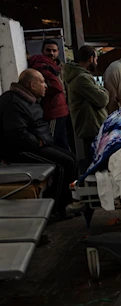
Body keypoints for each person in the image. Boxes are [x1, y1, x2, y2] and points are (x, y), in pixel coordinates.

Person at [0, 69, 77, 220]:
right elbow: (17, 135)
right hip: (21, 149)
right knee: (64, 164)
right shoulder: (13, 102)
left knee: (71, 158)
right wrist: (39, 142)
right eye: (42, 82)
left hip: (40, 143)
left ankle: (65, 203)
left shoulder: (27, 99)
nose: (45, 86)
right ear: (32, 85)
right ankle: (55, 210)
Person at [63, 46, 109, 166]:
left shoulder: (80, 76)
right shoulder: (82, 79)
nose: (97, 62)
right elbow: (102, 100)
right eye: (96, 59)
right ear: (91, 58)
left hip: (91, 125)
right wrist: (104, 91)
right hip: (91, 126)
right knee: (96, 163)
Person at [28, 39, 70, 151]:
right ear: (42, 51)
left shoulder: (59, 67)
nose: (51, 53)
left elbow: (59, 87)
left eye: (54, 50)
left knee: (55, 143)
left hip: (57, 109)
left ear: (58, 52)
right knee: (54, 143)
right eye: (48, 50)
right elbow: (58, 87)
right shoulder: (42, 66)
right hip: (54, 109)